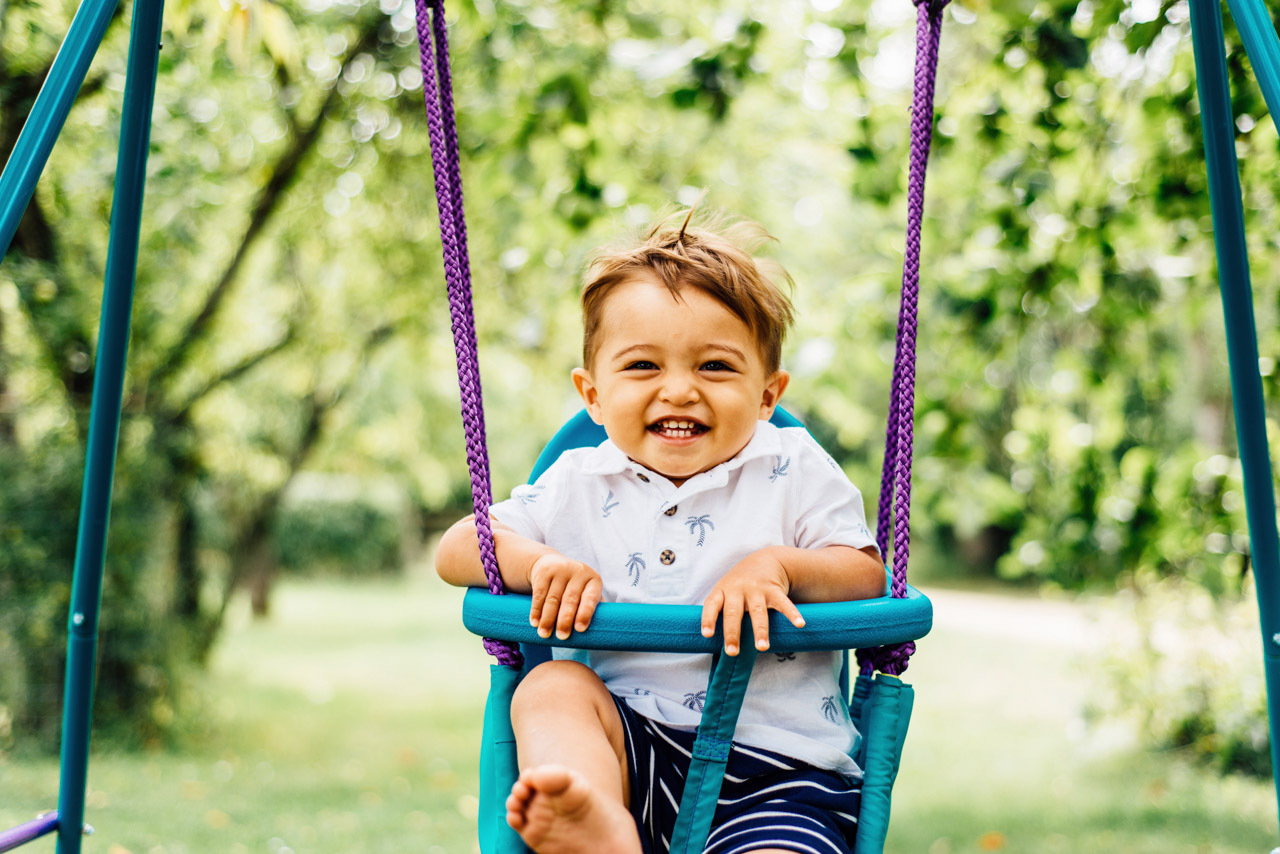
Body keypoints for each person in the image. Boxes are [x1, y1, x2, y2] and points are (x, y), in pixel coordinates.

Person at [435, 208, 887, 854]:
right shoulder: (578, 483)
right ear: (592, 395)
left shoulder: (793, 467)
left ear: (767, 395)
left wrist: (779, 567)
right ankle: (596, 821)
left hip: (779, 774)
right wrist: (536, 564)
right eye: (644, 366)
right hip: (628, 759)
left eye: (716, 367)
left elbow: (864, 572)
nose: (679, 390)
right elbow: (458, 547)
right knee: (553, 687)